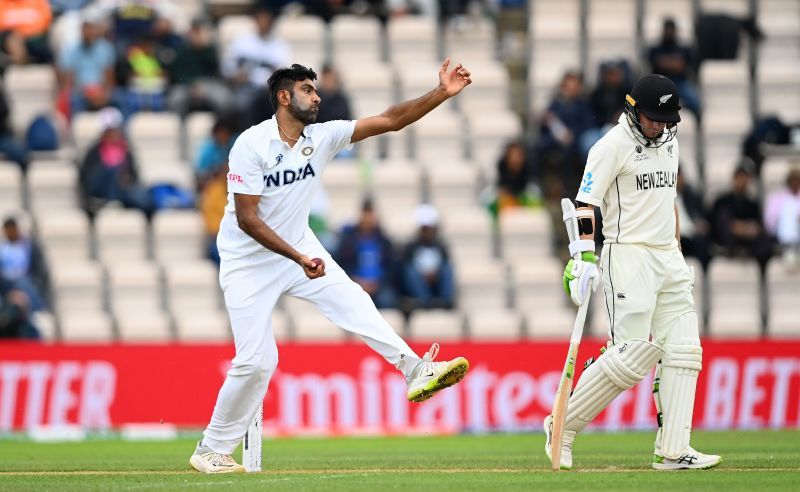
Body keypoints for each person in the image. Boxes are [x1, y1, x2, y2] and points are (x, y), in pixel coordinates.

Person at [189, 59, 473, 473]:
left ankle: (416, 370)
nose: (317, 96)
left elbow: (392, 120)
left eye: (316, 90)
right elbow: (249, 220)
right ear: (284, 97)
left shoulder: (322, 137)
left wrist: (441, 93)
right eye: (307, 89)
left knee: (354, 301)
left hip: (298, 247)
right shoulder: (250, 145)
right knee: (257, 361)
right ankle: (210, 448)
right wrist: (298, 257)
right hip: (248, 261)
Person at [544, 74, 721, 470]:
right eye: (652, 117)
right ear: (632, 108)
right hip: (628, 256)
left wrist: (675, 250)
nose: (658, 125)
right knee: (629, 359)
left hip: (668, 257)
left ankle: (674, 450)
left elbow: (668, 199)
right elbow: (585, 203)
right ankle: (561, 425)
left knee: (685, 351)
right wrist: (583, 258)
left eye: (665, 118)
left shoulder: (670, 140)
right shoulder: (610, 146)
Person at [78, 107, 153, 216]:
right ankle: (112, 203)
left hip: (124, 190)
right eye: (109, 131)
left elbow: (134, 174)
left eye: (115, 130)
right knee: (113, 170)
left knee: (145, 200)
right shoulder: (94, 152)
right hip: (100, 192)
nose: (113, 134)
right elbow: (86, 179)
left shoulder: (126, 150)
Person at [335, 199, 398, 309]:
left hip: (379, 285)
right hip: (355, 284)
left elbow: (391, 267)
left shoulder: (384, 241)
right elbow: (341, 264)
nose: (368, 220)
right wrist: (356, 281)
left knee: (388, 301)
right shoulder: (348, 241)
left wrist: (378, 283)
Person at [709, 164, 773, 271]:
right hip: (726, 241)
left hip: (748, 241)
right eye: (740, 177)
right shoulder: (722, 200)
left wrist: (743, 228)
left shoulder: (752, 204)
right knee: (724, 215)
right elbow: (716, 223)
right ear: (734, 178)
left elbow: (758, 226)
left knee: (766, 240)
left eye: (746, 177)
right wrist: (735, 227)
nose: (743, 181)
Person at [401, 204, 455, 310]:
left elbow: (444, 265)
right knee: (410, 270)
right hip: (419, 283)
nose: (426, 232)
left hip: (436, 283)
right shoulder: (410, 247)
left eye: (428, 228)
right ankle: (424, 300)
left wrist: (435, 274)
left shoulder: (441, 246)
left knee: (447, 268)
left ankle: (445, 300)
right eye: (424, 228)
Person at [647, 18, 701, 120]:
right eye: (667, 29)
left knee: (695, 102)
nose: (669, 32)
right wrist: (673, 63)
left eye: (671, 29)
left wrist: (666, 62)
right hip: (660, 84)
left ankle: (696, 123)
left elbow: (681, 66)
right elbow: (659, 63)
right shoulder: (655, 48)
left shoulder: (683, 48)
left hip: (679, 83)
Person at [0, 217, 50, 312]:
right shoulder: (2, 246)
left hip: (24, 279)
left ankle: (37, 309)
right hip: (4, 281)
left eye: (12, 229)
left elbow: (37, 269)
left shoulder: (28, 245)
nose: (10, 232)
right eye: (7, 230)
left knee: (24, 284)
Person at [764, 167, 800, 267]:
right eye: (794, 180)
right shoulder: (777, 198)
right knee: (788, 214)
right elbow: (769, 222)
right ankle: (789, 249)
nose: (796, 183)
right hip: (780, 235)